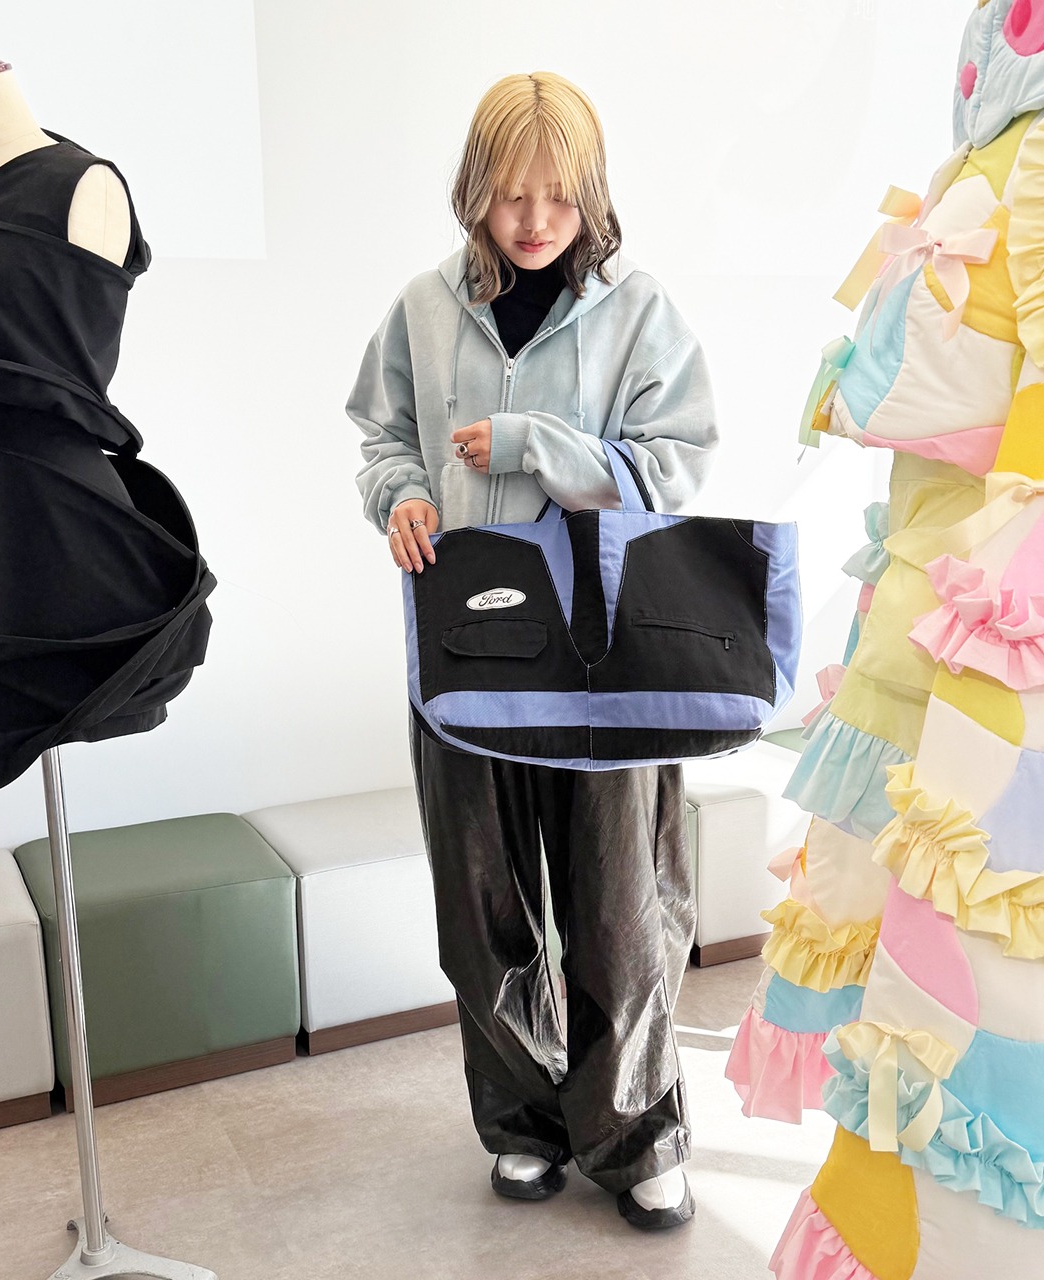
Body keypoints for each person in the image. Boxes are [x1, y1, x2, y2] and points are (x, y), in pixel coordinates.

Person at [347, 71, 717, 1230]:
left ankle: (635, 1131)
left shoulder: (637, 309)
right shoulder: (422, 307)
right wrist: (402, 496)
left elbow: (674, 465)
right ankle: (521, 1121)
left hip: (604, 652)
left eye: (557, 195)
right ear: (475, 189)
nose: (534, 219)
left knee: (621, 909)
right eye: (510, 193)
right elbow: (382, 436)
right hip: (464, 648)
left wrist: (532, 444)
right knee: (481, 909)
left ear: (590, 192)